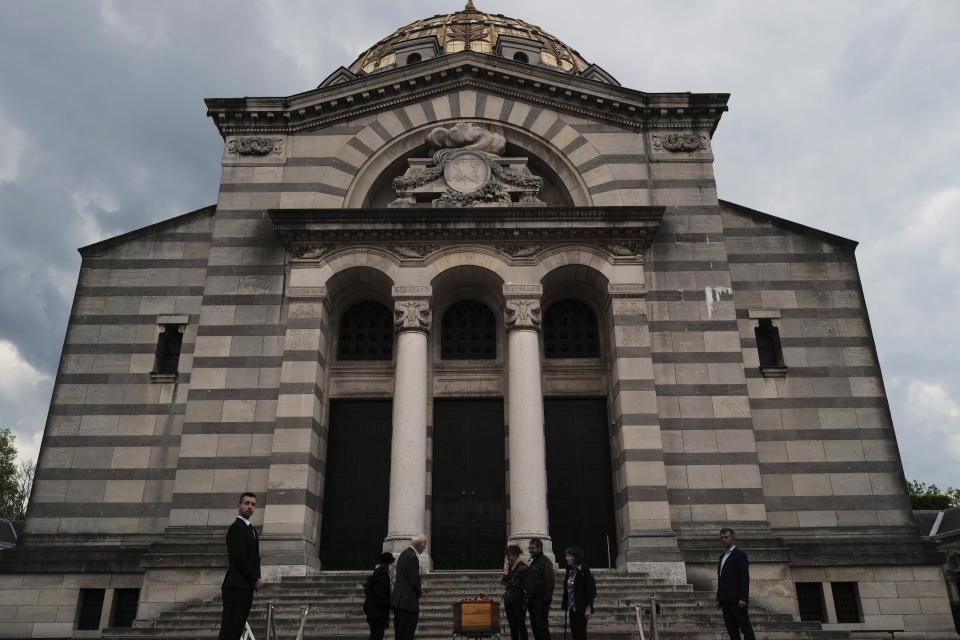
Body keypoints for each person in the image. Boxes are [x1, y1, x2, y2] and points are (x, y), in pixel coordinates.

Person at [217, 492, 262, 640]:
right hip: (236, 586)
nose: (250, 507)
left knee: (236, 630)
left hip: (245, 587)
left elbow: (254, 557)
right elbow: (239, 558)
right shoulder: (236, 528)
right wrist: (255, 578)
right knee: (230, 630)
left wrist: (256, 577)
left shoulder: (250, 529)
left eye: (253, 504)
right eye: (247, 503)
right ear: (239, 506)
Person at [715, 527, 756, 640]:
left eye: (726, 537)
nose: (723, 540)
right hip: (725, 600)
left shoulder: (740, 555)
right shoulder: (722, 556)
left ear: (732, 539)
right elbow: (721, 579)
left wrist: (743, 597)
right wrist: (718, 598)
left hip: (737, 600)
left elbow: (744, 578)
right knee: (732, 631)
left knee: (745, 628)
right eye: (722, 538)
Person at [391, 533, 427, 640]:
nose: (425, 548)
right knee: (407, 634)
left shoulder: (404, 554)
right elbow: (413, 580)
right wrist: (419, 591)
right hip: (407, 603)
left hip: (400, 602)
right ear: (420, 545)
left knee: (400, 634)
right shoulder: (412, 557)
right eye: (425, 545)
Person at [561, 547, 595, 640]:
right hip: (571, 607)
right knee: (574, 632)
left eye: (569, 556)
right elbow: (567, 588)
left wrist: (588, 607)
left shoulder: (584, 569)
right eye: (566, 556)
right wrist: (565, 602)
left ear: (576, 557)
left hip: (581, 607)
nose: (566, 558)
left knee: (581, 633)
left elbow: (591, 589)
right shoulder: (569, 570)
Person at [524, 538, 554, 640]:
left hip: (541, 599)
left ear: (539, 548)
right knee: (534, 627)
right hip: (531, 598)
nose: (530, 550)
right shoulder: (531, 560)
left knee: (542, 627)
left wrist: (548, 599)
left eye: (533, 548)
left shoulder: (545, 561)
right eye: (529, 547)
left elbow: (549, 580)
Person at [365, 552, 395, 640]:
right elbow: (380, 596)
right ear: (386, 564)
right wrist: (391, 603)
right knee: (377, 635)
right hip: (378, 613)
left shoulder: (379, 573)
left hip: (375, 612)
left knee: (376, 635)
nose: (391, 566)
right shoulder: (382, 575)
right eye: (390, 563)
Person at [500, 544, 528, 640]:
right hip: (509, 599)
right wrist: (506, 571)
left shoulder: (522, 566)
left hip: (519, 599)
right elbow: (503, 583)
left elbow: (526, 584)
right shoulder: (509, 567)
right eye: (507, 555)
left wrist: (525, 601)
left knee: (520, 624)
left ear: (515, 555)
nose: (508, 558)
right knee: (512, 625)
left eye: (509, 555)